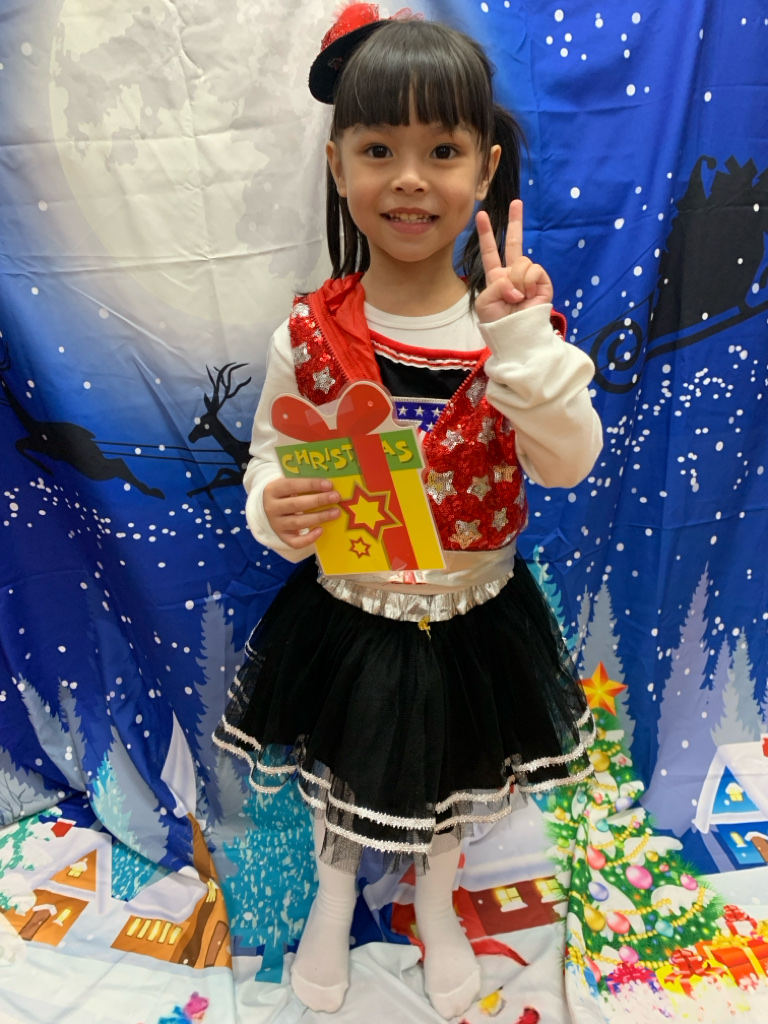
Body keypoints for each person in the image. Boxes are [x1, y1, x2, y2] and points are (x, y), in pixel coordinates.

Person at [214, 5, 602, 1018]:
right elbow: (268, 458)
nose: (411, 179)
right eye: (380, 149)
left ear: (486, 167)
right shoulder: (309, 332)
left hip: (477, 618)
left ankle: (436, 906)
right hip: (350, 615)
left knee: (448, 790)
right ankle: (333, 903)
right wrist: (274, 508)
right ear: (338, 165)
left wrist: (522, 345)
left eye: (443, 151)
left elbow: (567, 464)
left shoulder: (512, 328)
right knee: (348, 777)